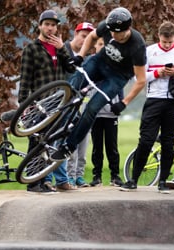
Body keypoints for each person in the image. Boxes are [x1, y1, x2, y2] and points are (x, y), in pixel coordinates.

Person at [51, 7, 148, 174]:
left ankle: (69, 146)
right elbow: (91, 36)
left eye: (120, 34)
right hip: (99, 62)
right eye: (113, 33)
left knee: (92, 109)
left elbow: (141, 80)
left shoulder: (137, 46)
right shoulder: (106, 26)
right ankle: (39, 113)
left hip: (117, 77)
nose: (115, 37)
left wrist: (124, 103)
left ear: (128, 29)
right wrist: (81, 56)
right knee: (72, 86)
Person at [122, 21, 174, 193]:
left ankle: (163, 181)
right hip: (153, 100)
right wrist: (157, 73)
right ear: (159, 36)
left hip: (173, 101)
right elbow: (138, 78)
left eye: (170, 42)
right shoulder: (149, 52)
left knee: (168, 142)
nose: (167, 45)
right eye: (164, 41)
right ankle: (133, 179)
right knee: (146, 140)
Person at [19, 10, 75, 194]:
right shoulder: (32, 49)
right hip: (40, 105)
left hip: (58, 104)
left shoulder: (59, 48)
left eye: (53, 25)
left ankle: (42, 181)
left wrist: (62, 49)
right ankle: (33, 183)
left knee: (49, 143)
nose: (50, 28)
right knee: (36, 143)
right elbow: (25, 80)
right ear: (40, 25)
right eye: (47, 24)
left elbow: (71, 68)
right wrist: (24, 106)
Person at [65, 22, 97, 188]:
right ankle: (68, 177)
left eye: (89, 38)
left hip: (83, 105)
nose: (85, 41)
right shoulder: (65, 52)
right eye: (83, 36)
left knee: (84, 143)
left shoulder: (89, 58)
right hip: (67, 105)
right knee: (70, 145)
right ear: (76, 34)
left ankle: (79, 175)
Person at [88, 37, 123, 187]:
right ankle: (97, 176)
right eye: (100, 44)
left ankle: (115, 176)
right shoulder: (91, 63)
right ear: (95, 46)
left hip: (111, 111)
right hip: (95, 112)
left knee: (112, 146)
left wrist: (121, 103)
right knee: (97, 147)